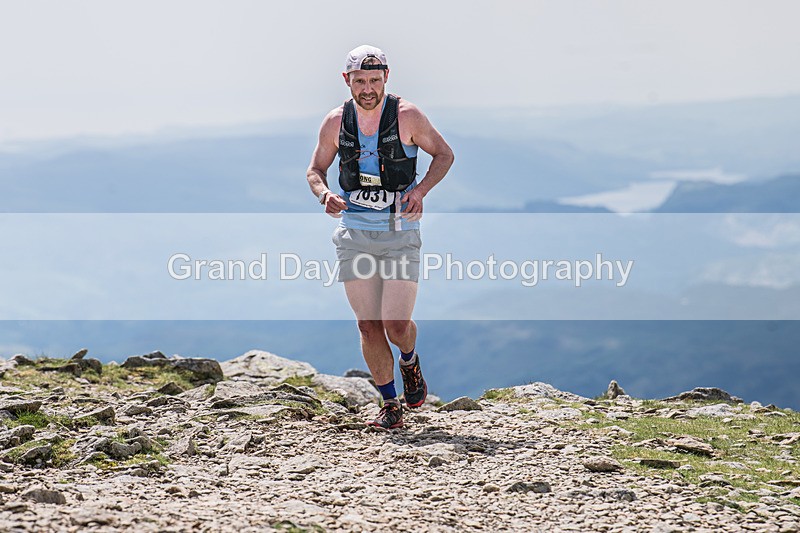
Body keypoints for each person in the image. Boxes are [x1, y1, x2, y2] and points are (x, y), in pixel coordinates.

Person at [306, 45, 454, 429]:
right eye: (360, 81)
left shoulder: (407, 116)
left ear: (386, 77)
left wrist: (419, 191)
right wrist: (325, 194)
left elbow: (444, 154)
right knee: (368, 325)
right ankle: (390, 405)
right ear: (347, 81)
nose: (367, 88)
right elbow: (315, 170)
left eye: (374, 80)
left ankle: (410, 361)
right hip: (354, 232)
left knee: (396, 324)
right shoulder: (335, 122)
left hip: (400, 233)